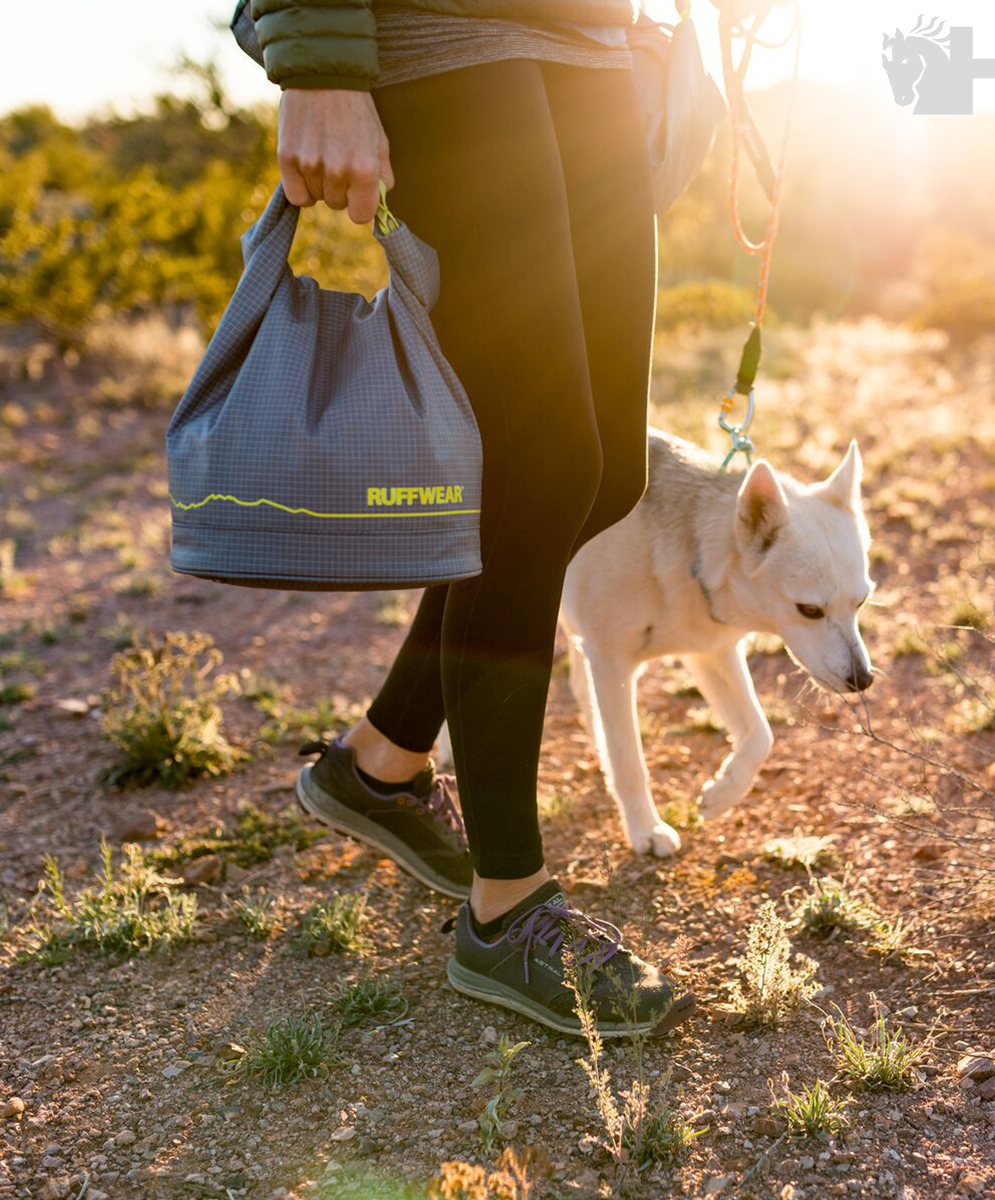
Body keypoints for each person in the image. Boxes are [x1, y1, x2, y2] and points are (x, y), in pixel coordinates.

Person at [244, 0, 695, 1036]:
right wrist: (319, 60)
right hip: (439, 28)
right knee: (538, 464)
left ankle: (383, 763)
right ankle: (504, 906)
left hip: (593, 38)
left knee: (605, 473)